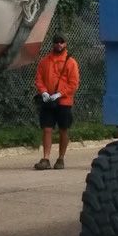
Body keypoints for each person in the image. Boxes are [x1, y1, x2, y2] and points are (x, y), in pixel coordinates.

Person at [33, 33, 80, 170]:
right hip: (48, 101)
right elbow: (39, 79)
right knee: (47, 129)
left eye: (61, 42)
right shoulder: (45, 61)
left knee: (63, 130)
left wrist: (60, 94)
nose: (59, 44)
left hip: (64, 102)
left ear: (65, 44)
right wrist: (44, 92)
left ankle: (60, 158)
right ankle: (46, 158)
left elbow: (74, 83)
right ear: (52, 44)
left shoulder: (71, 62)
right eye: (56, 42)